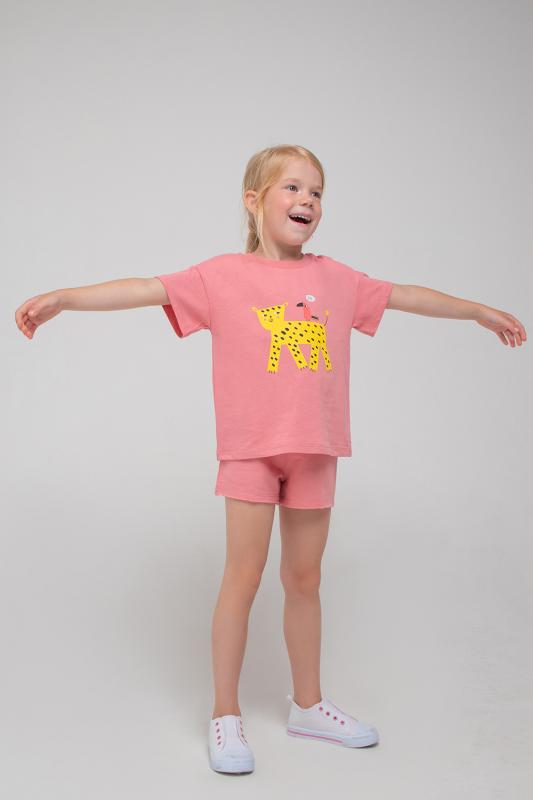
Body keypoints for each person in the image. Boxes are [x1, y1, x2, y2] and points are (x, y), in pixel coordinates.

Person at [14, 144, 527, 776]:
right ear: (254, 201)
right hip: (251, 451)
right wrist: (65, 297)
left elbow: (408, 297)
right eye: (292, 188)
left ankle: (308, 706)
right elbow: (145, 288)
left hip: (315, 449)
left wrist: (478, 312)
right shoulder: (221, 276)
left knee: (305, 579)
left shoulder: (337, 279)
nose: (307, 200)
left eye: (316, 192)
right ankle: (224, 713)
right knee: (244, 576)